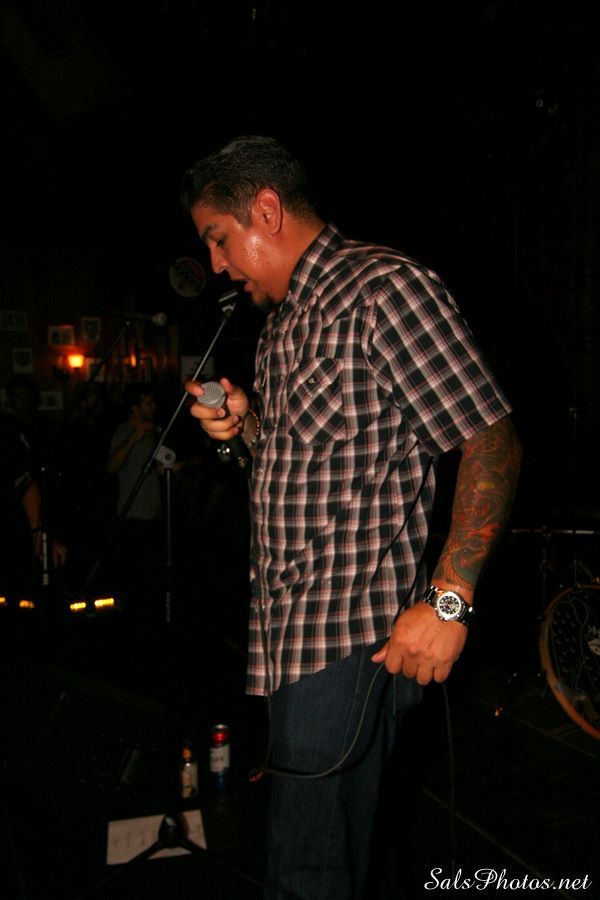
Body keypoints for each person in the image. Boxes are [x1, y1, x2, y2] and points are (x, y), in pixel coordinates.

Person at [180, 135, 523, 899]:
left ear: (266, 210)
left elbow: (489, 438)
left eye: (219, 238)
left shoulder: (382, 289)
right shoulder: (281, 327)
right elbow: (312, 468)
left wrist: (449, 599)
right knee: (352, 864)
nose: (217, 264)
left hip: (349, 643)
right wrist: (246, 426)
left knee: (306, 873)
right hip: (290, 638)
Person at [106, 383, 164, 625]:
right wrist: (133, 438)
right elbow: (111, 467)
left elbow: (156, 470)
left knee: (152, 577)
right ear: (135, 406)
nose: (154, 407)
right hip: (132, 516)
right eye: (148, 403)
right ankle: (132, 625)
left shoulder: (153, 433)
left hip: (152, 515)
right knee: (135, 578)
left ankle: (149, 624)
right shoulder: (124, 431)